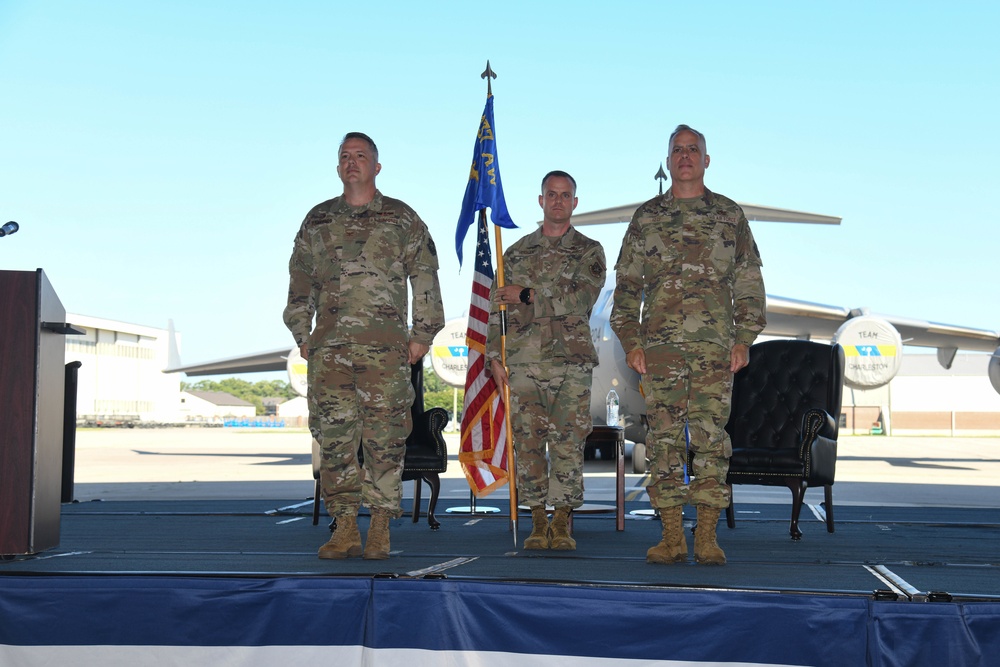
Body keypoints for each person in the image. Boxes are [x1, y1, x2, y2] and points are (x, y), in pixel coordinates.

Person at [283, 132, 444, 560]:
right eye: (345, 156)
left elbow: (425, 275)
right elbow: (300, 282)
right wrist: (303, 335)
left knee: (385, 439)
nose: (352, 162)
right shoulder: (317, 221)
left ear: (377, 166)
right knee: (334, 439)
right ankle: (345, 527)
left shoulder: (401, 218)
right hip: (330, 353)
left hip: (385, 353)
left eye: (361, 156)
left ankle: (380, 527)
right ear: (338, 168)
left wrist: (422, 335)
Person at [611, 125, 766, 565]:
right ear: (668, 160)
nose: (684, 156)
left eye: (692, 149)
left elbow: (750, 285)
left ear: (706, 160)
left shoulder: (729, 216)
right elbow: (627, 289)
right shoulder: (646, 219)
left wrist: (743, 339)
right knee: (662, 443)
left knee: (712, 442)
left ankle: (708, 537)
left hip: (715, 353)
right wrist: (631, 342)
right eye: (677, 150)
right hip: (659, 355)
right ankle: (673, 536)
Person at [487, 171, 606, 551]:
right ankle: (537, 518)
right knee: (529, 444)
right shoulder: (516, 253)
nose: (558, 201)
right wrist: (493, 355)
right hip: (521, 362)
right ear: (541, 201)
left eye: (565, 195)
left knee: (568, 443)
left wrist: (526, 294)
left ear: (575, 202)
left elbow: (579, 299)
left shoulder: (590, 251)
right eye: (551, 195)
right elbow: (497, 308)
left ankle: (562, 520)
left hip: (570, 364)